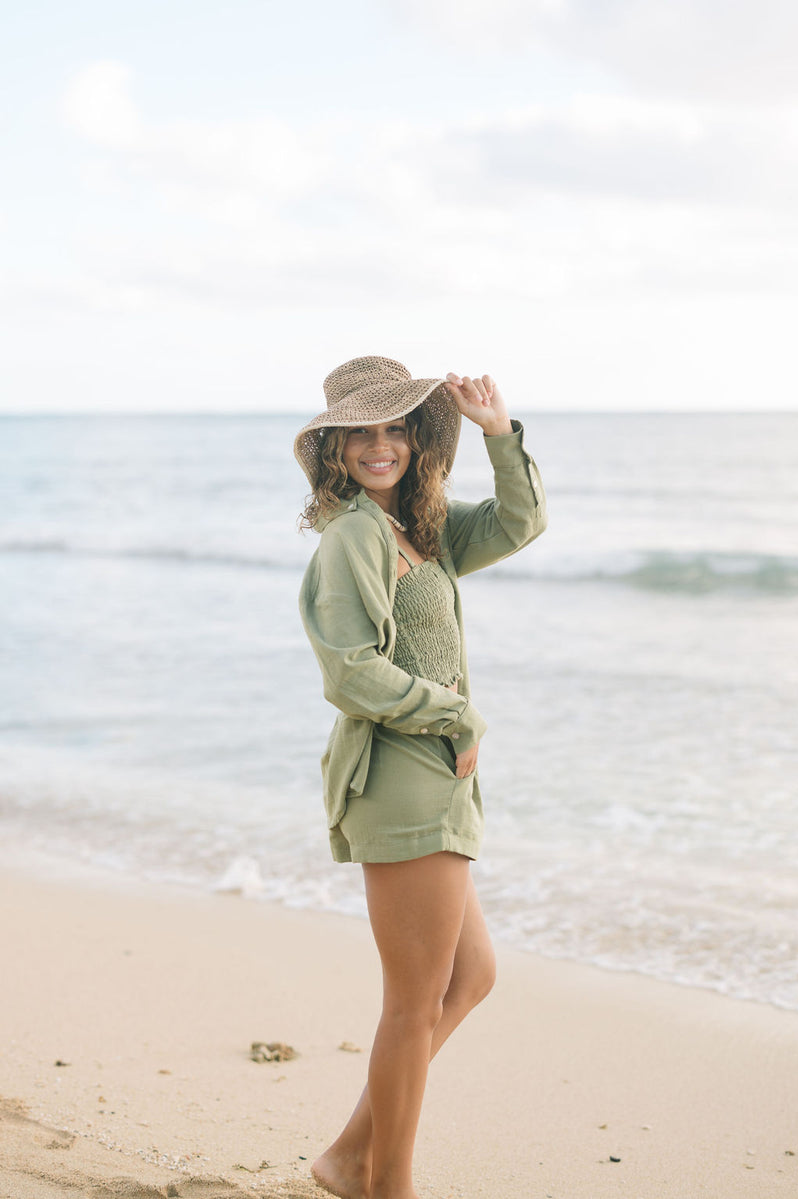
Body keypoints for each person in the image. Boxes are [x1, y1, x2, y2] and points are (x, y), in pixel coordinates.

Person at [295, 355, 547, 1199]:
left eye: (393, 426)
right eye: (360, 432)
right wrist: (455, 713)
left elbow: (520, 523)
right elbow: (350, 671)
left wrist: (500, 435)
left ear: (413, 438)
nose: (379, 445)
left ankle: (346, 1156)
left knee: (469, 978)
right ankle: (385, 1186)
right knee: (412, 1003)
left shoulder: (419, 526)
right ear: (335, 449)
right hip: (398, 775)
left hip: (440, 778)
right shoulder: (353, 535)